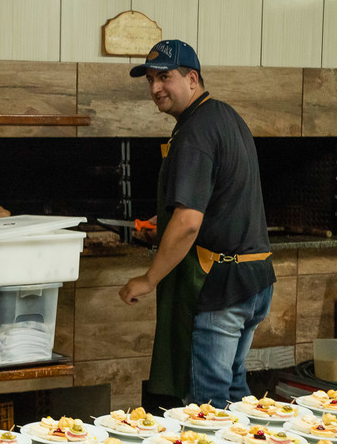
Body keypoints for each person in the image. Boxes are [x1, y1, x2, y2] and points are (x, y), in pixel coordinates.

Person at [118, 39, 275, 408]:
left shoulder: (194, 134)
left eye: (165, 77)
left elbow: (189, 222)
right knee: (234, 394)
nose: (156, 88)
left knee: (207, 406)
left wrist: (148, 278)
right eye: (151, 80)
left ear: (192, 78)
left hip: (221, 288)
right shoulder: (224, 116)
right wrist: (167, 221)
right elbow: (219, 199)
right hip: (255, 280)